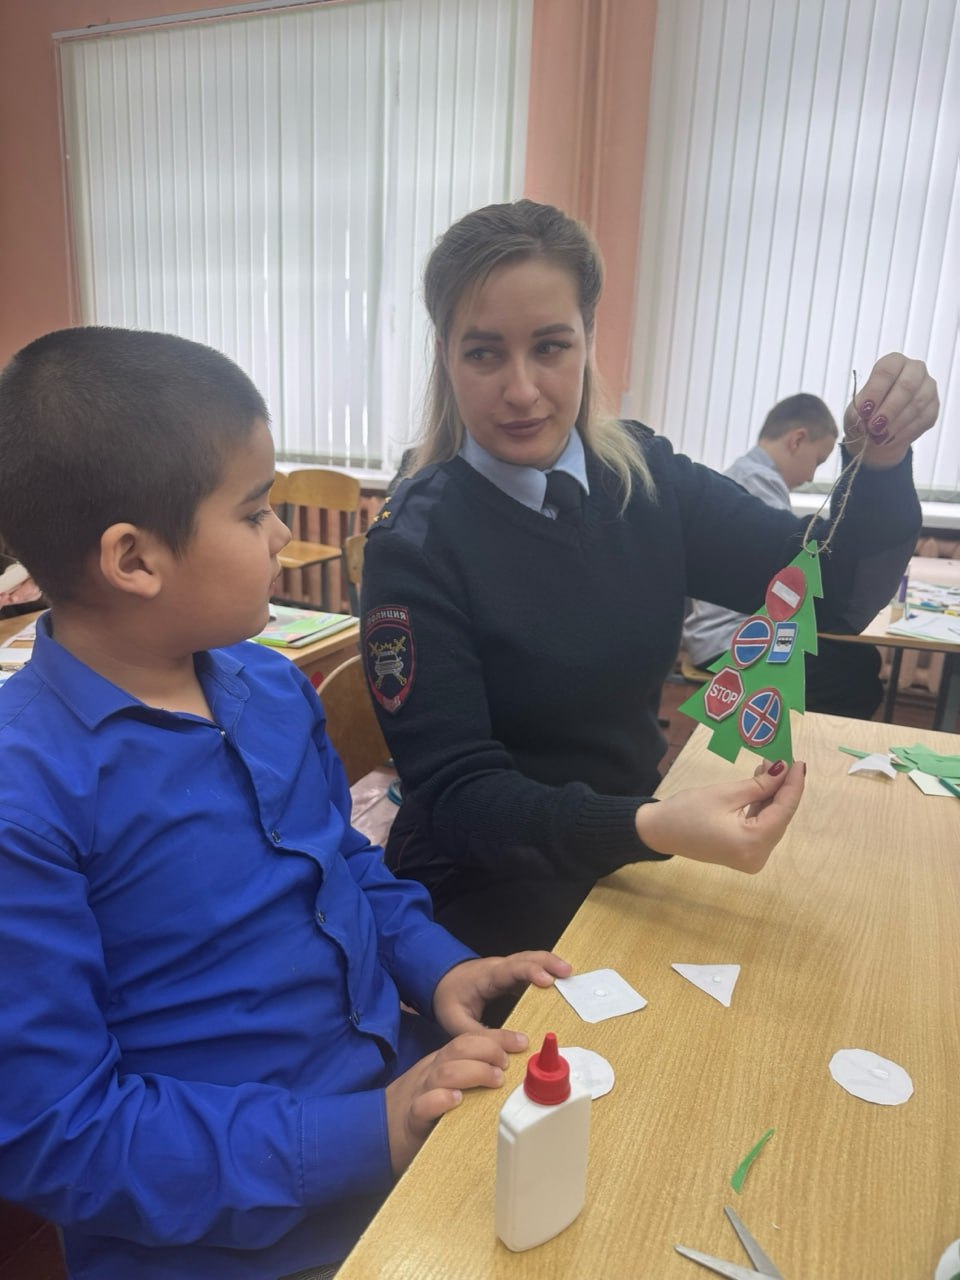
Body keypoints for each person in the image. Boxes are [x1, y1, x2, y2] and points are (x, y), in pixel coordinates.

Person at [0, 326, 573, 1280]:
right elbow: (60, 1134)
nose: (280, 537)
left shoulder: (267, 686)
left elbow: (342, 863)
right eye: (255, 510)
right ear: (134, 559)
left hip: (399, 1116)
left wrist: (437, 967)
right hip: (227, 1241)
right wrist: (364, 1132)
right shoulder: (25, 799)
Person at [359, 199, 939, 959]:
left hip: (630, 847)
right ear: (446, 355)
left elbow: (828, 590)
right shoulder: (415, 541)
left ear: (589, 339)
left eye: (551, 346)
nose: (523, 389)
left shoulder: (643, 477)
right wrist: (650, 827)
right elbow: (462, 800)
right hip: (487, 885)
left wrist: (881, 460)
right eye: (485, 353)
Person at [682, 394, 885, 719]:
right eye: (817, 461)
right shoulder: (756, 483)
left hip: (733, 631)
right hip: (729, 640)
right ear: (797, 440)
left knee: (857, 661)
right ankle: (783, 740)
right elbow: (789, 574)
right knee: (854, 674)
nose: (811, 476)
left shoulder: (751, 476)